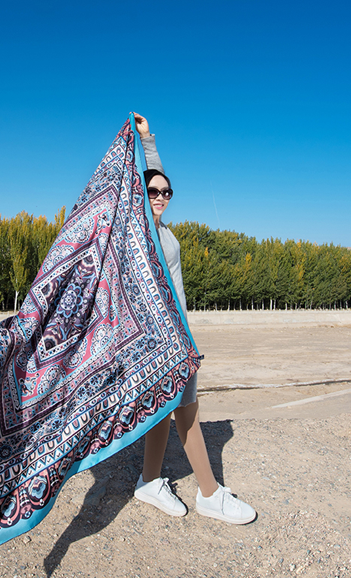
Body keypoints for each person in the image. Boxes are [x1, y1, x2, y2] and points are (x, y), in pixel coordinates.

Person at [132, 112, 256, 524]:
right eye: (153, 192)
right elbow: (144, 182)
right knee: (186, 405)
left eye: (167, 192)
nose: (161, 196)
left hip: (176, 330)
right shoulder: (141, 231)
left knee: (164, 406)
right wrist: (143, 151)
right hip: (162, 336)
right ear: (140, 194)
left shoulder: (162, 228)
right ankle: (209, 493)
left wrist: (149, 140)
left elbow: (155, 175)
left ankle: (149, 480)